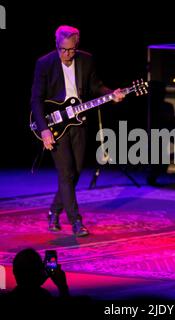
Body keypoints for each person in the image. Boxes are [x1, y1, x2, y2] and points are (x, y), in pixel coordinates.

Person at [31, 25, 125, 237]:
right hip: (55, 126)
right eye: (63, 50)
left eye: (71, 50)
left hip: (79, 123)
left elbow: (95, 87)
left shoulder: (86, 60)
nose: (67, 54)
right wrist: (44, 130)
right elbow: (36, 100)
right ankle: (76, 221)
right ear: (57, 46)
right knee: (65, 173)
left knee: (75, 173)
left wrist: (112, 94)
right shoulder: (44, 64)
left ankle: (54, 211)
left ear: (77, 46)